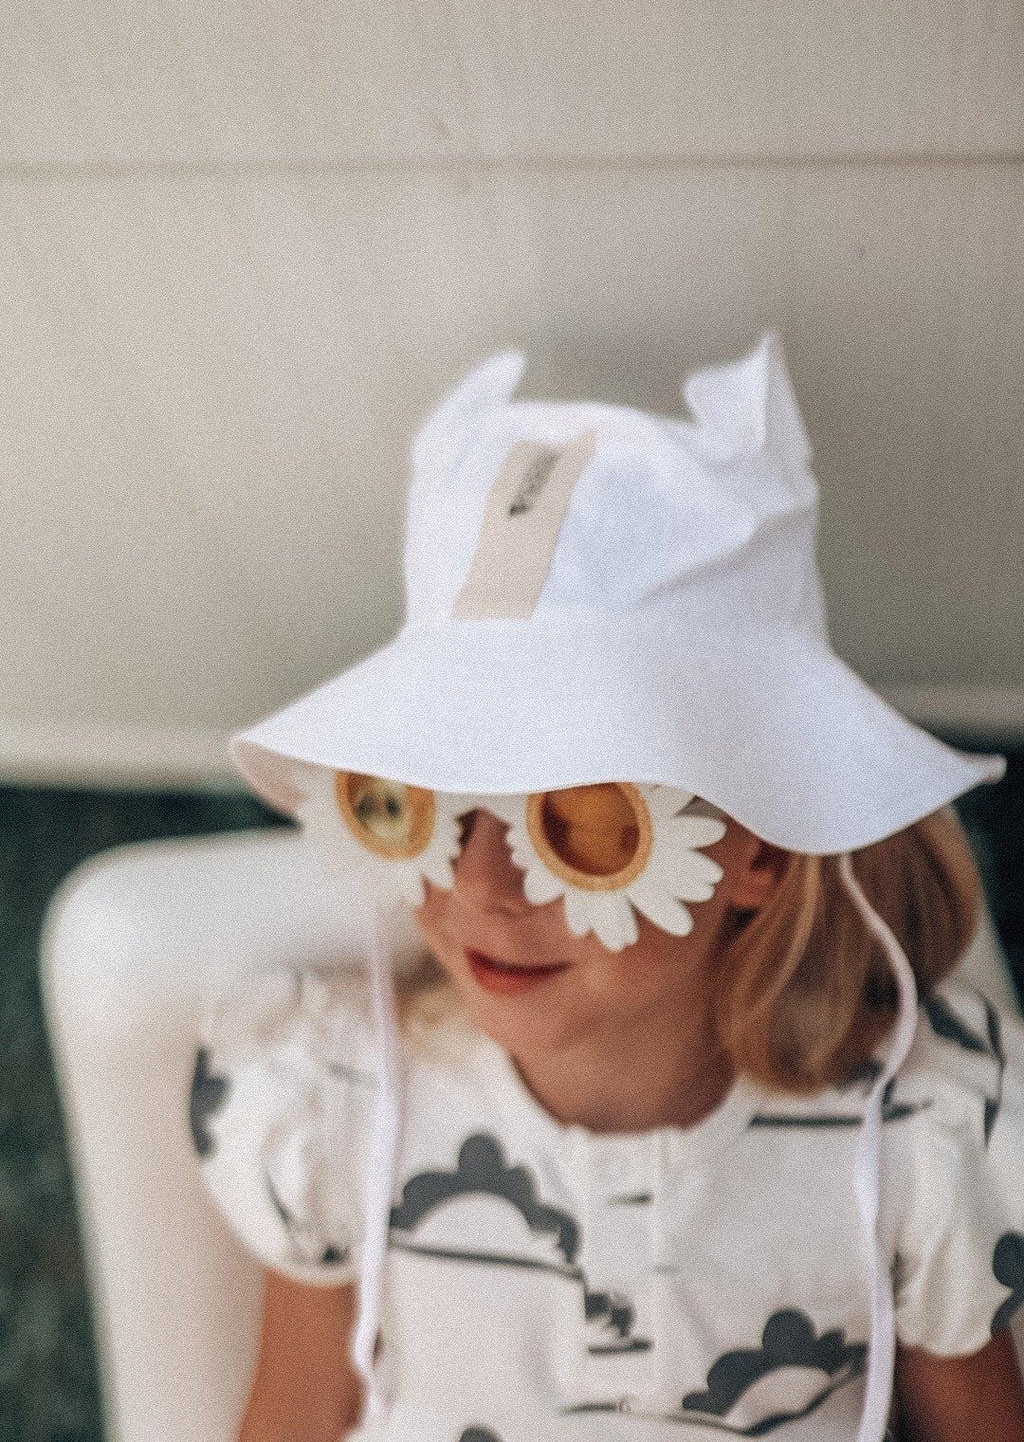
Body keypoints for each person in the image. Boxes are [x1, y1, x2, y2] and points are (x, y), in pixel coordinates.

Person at [190, 337, 1024, 1442]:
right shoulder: (337, 1107)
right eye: (428, 807)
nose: (480, 885)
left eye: (578, 827)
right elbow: (293, 1415)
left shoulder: (912, 1137)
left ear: (757, 850)